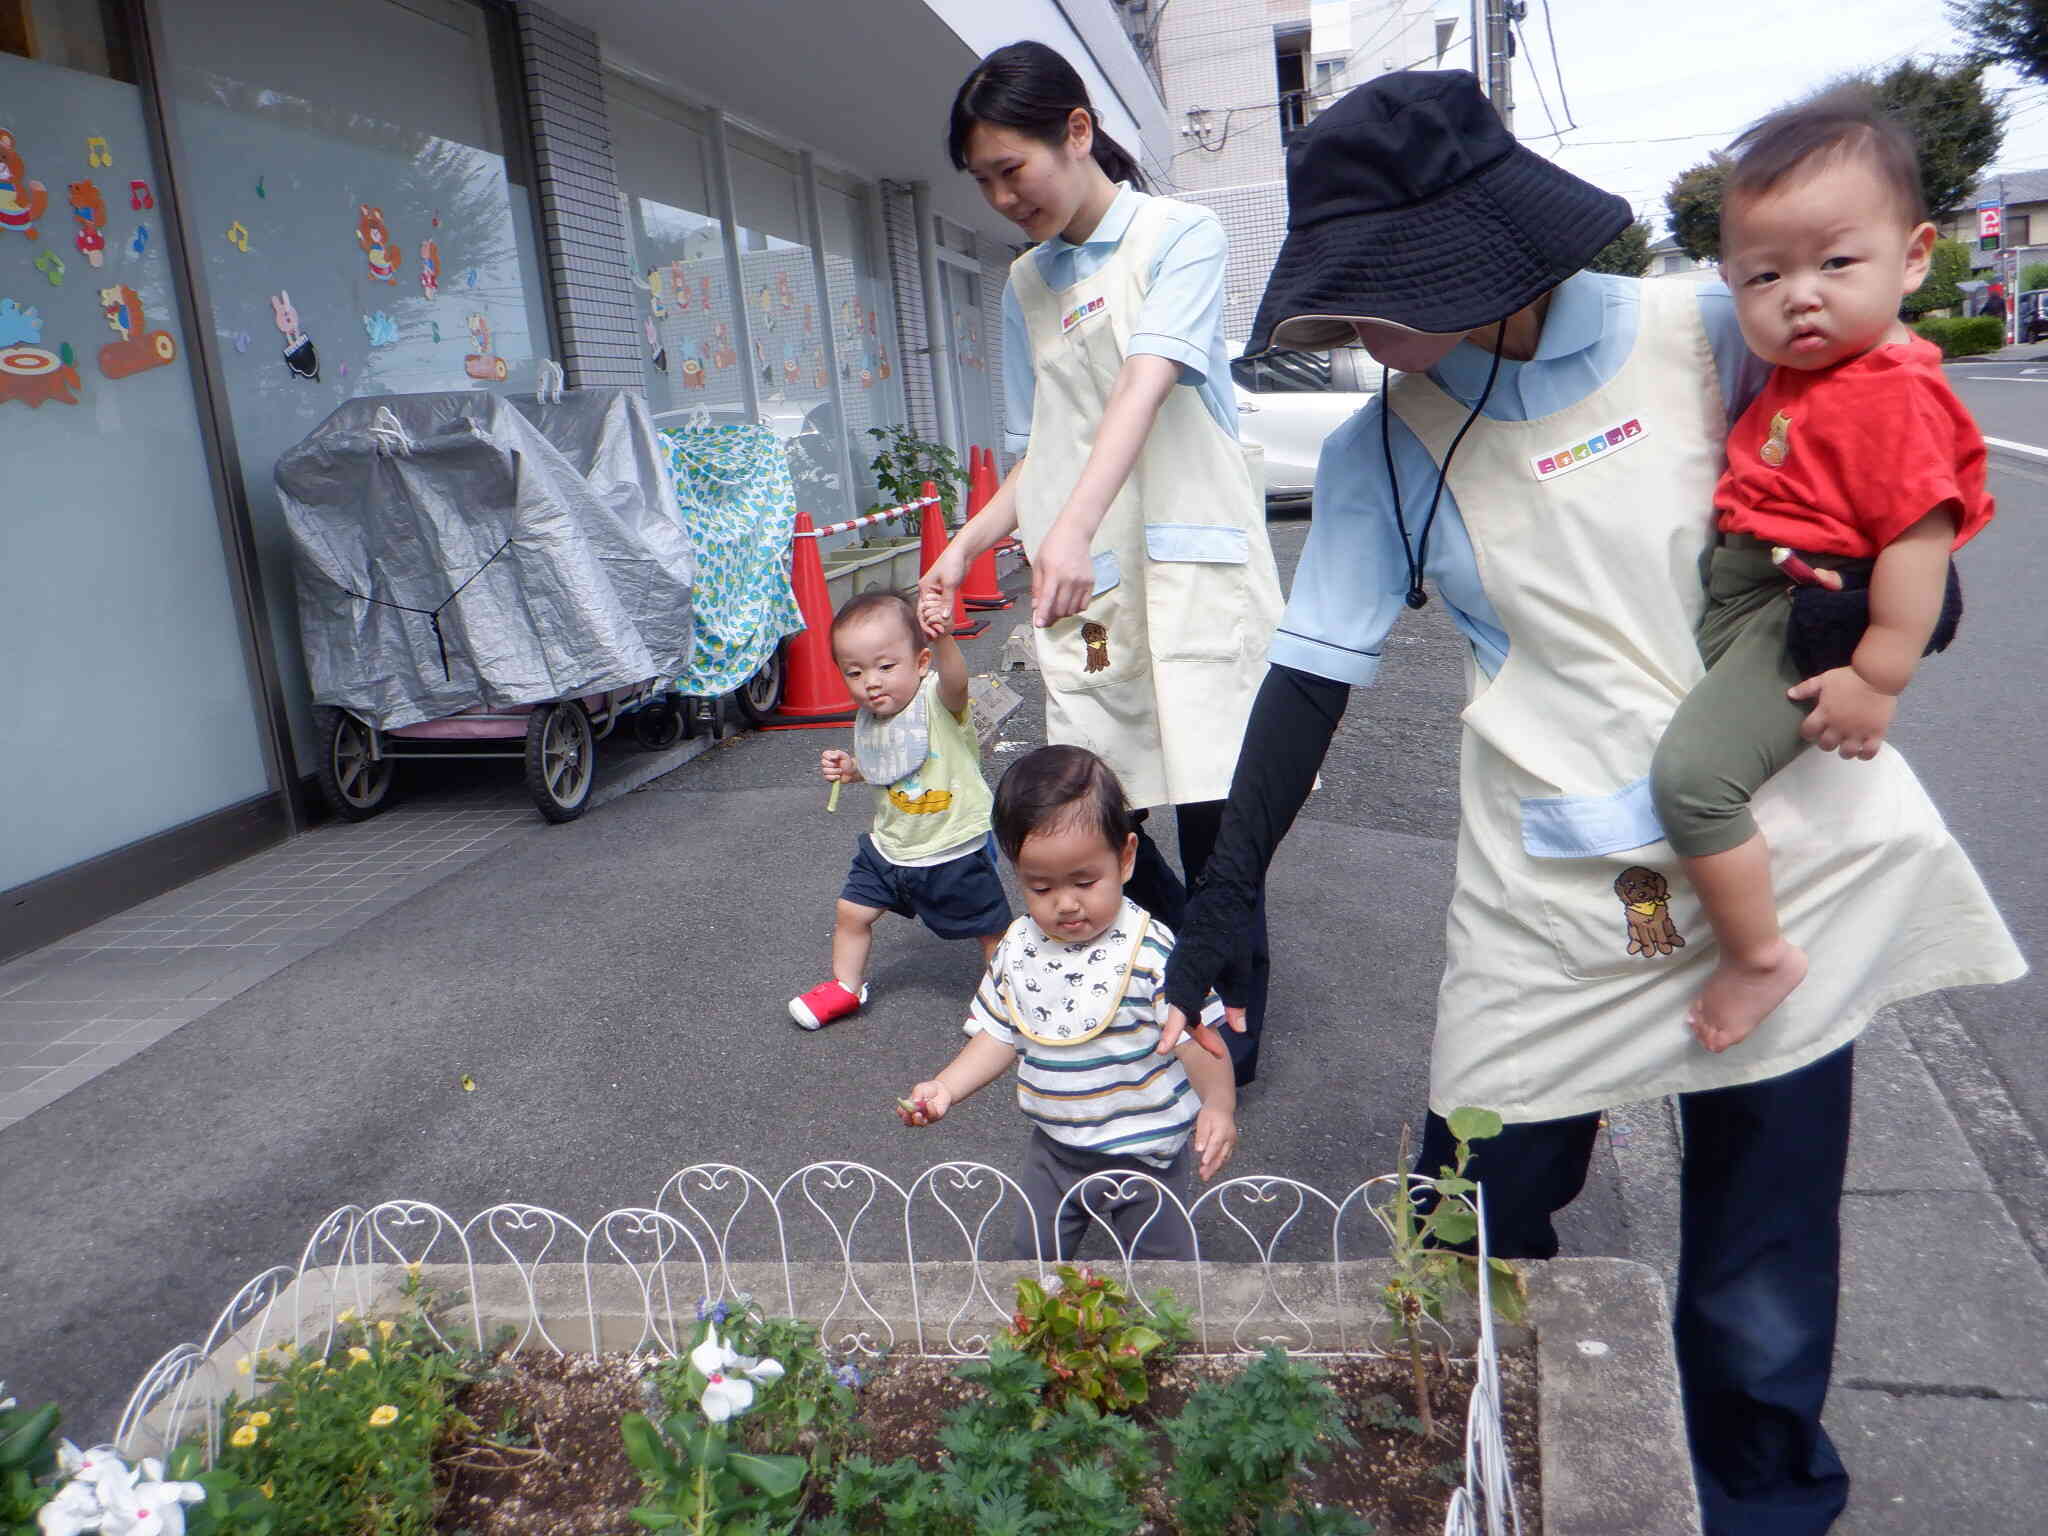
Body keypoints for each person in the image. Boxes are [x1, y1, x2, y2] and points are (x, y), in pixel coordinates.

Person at [1154, 72, 2023, 1535]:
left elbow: (1885, 472)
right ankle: (1481, 1454)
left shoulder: (1704, 331)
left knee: (1760, 1253)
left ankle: (1760, 1504)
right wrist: (1232, 885)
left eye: (1382, 293)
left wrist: (1893, 603)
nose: (1362, 330)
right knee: (1466, 1203)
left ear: (1478, 258)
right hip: (1551, 878)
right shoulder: (1388, 444)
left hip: (1771, 850)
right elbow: (1312, 672)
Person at [917, 40, 1284, 1086]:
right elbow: (1042, 444)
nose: (999, 196)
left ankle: (1229, 1020)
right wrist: (962, 546)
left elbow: (1145, 380)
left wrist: (1068, 528)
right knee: (1098, 807)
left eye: (1010, 169)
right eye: (981, 180)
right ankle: (1174, 971)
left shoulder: (1181, 233)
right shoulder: (1025, 284)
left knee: (1220, 809)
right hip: (1092, 588)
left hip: (1185, 569)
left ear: (1076, 132)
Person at [1649, 90, 1994, 1054]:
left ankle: (1759, 956)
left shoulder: (1893, 394)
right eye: (1765, 275)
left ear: (1916, 254)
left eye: (1837, 262)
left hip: (1804, 599)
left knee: (1692, 780)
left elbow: (1921, 543)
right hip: (1750, 583)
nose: (1801, 293)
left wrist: (1877, 676)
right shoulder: (1818, 371)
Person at [896, 745, 1239, 1261]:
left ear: (1125, 858)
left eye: (1085, 881)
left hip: (1144, 1153)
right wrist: (946, 1086)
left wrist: (1219, 1105)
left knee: (1163, 1272)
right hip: (1055, 1150)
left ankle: (1159, 1337)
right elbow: (1000, 1032)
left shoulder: (1151, 952)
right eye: (1041, 886)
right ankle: (1037, 1338)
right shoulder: (1018, 945)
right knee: (1032, 1262)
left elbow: (1196, 1040)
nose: (1066, 902)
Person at [788, 590, 1009, 1030]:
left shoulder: (937, 704)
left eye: (886, 667)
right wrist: (852, 769)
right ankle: (846, 987)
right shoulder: (871, 718)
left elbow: (957, 682)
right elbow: (885, 769)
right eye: (854, 672)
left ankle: (1002, 999)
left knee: (990, 928)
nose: (871, 681)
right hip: (889, 847)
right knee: (851, 912)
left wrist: (945, 640)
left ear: (921, 662)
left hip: (951, 845)